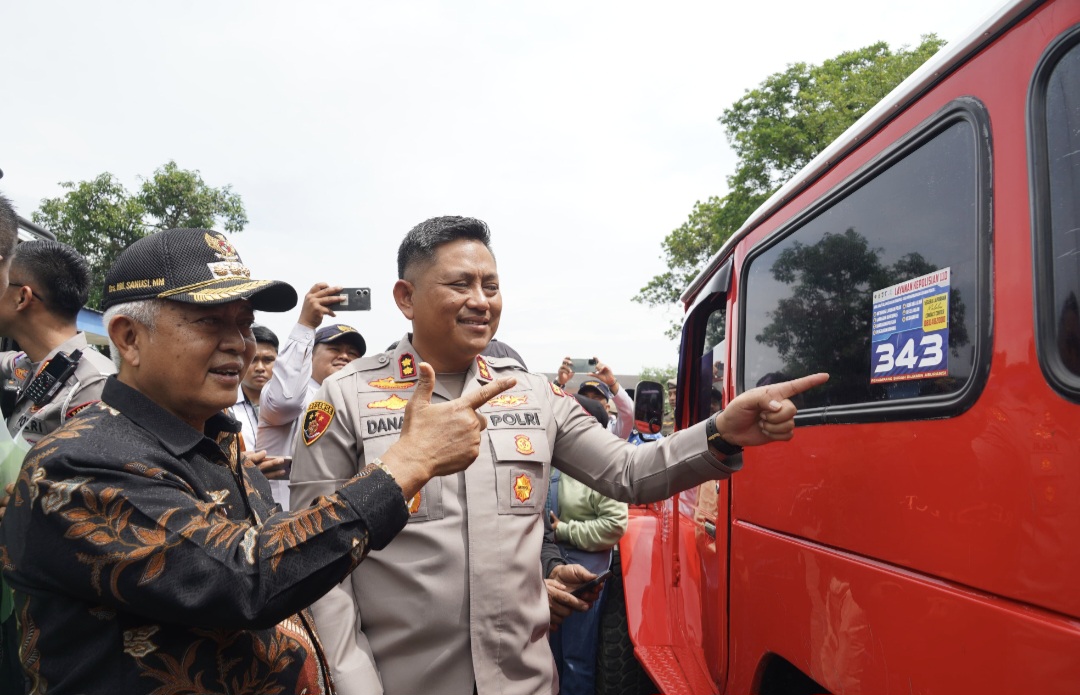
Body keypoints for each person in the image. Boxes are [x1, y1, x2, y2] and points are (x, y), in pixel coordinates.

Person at [290, 215, 829, 695]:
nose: (481, 300)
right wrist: (354, 682)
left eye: (491, 285)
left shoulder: (533, 394)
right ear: (406, 297)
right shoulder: (345, 397)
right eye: (460, 284)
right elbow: (317, 561)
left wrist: (721, 431)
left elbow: (629, 471)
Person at [0, 227, 517, 694]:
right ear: (129, 339)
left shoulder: (216, 440)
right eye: (209, 322)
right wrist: (404, 467)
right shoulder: (78, 463)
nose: (239, 345)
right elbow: (247, 578)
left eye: (245, 324)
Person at [258, 283, 367, 508]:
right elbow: (284, 401)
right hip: (282, 519)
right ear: (310, 355)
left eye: (353, 353)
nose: (345, 356)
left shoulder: (359, 403)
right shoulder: (289, 394)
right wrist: (306, 325)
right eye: (335, 349)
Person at [548, 393, 627, 695]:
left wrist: (564, 530)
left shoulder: (602, 470)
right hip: (554, 568)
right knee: (553, 654)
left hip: (585, 574)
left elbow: (614, 526)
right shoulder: (559, 463)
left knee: (575, 658)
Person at [229, 324, 291, 504]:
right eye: (253, 359)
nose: (260, 367)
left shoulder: (292, 406)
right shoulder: (223, 407)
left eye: (268, 360)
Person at [554, 356, 634, 438]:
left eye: (596, 399)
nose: (589, 403)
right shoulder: (567, 426)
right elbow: (549, 410)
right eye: (584, 398)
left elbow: (629, 415)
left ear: (607, 408)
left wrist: (612, 382)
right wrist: (559, 383)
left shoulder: (612, 432)